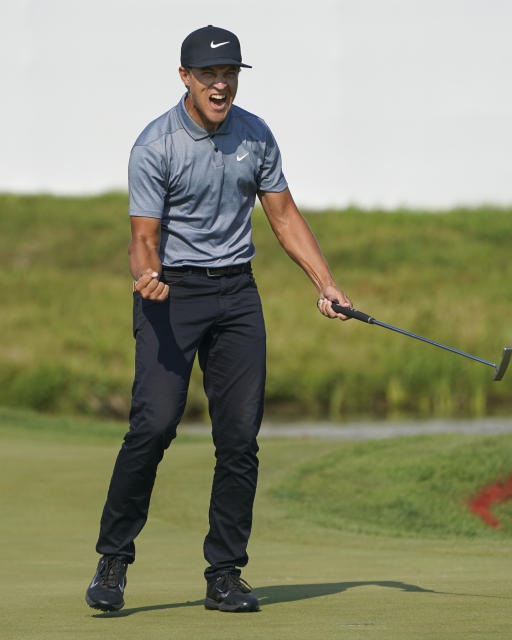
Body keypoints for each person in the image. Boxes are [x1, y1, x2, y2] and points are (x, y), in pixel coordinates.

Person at [85, 25, 352, 614]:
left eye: (229, 73)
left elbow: (283, 216)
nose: (221, 83)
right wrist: (147, 273)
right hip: (170, 295)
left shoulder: (255, 135)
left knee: (239, 441)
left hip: (237, 295)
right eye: (209, 74)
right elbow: (142, 235)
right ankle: (113, 559)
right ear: (185, 77)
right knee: (152, 427)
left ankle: (225, 574)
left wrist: (325, 284)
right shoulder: (155, 144)